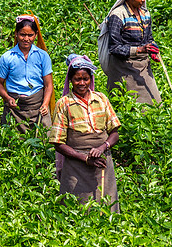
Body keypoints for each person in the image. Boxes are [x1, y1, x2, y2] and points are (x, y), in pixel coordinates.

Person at [49, 54, 121, 213]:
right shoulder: (64, 104)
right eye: (77, 79)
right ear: (70, 80)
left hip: (102, 160)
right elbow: (58, 143)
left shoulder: (101, 99)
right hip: (76, 163)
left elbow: (114, 132)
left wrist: (103, 147)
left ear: (91, 79)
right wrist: (85, 158)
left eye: (86, 79)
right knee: (76, 209)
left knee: (106, 204)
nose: (82, 83)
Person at [98, 0, 162, 105]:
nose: (143, 0)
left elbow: (149, 37)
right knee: (127, 105)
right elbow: (114, 48)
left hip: (143, 66)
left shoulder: (145, 13)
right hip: (123, 67)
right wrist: (139, 49)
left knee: (155, 103)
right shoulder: (118, 15)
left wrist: (152, 49)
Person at [0, 14, 54, 133]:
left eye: (30, 35)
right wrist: (7, 98)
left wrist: (45, 103)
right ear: (16, 34)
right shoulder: (7, 57)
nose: (26, 39)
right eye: (23, 34)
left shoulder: (42, 56)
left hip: (38, 106)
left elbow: (48, 85)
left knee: (44, 141)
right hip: (15, 108)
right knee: (14, 142)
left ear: (36, 35)